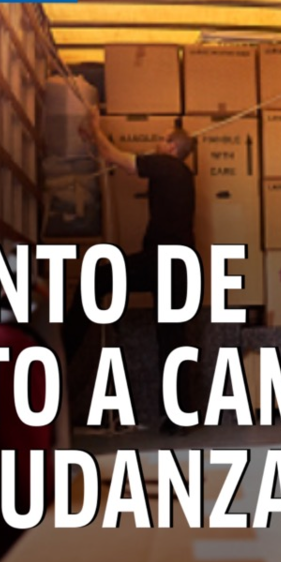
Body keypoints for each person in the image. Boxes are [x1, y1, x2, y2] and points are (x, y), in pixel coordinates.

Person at [63, 110, 197, 435]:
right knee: (172, 338)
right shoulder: (180, 175)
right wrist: (96, 139)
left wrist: (96, 127)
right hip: (182, 265)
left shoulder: (166, 165)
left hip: (163, 259)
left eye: (162, 139)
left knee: (98, 279)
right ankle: (179, 418)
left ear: (172, 147)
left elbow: (115, 157)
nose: (156, 142)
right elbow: (114, 155)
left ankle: (61, 350)